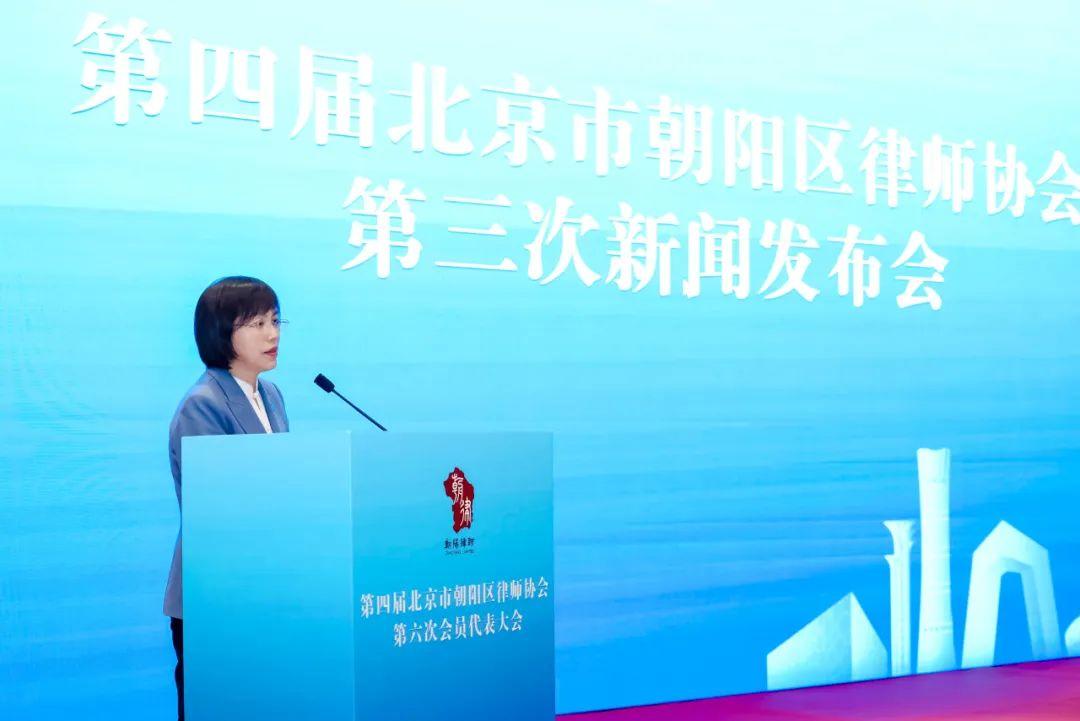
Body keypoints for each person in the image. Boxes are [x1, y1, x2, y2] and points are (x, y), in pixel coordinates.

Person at [164, 276, 289, 721]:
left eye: (276, 321)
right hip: (215, 594)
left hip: (262, 587)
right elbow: (216, 508)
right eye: (257, 324)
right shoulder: (203, 404)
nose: (273, 334)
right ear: (220, 332)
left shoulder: (270, 395)